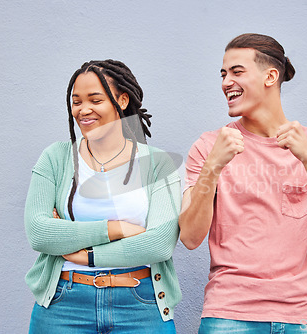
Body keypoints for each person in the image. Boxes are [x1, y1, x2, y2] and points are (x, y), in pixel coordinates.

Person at [179, 33, 307, 333]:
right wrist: (213, 167)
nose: (225, 82)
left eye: (237, 71)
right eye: (223, 74)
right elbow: (190, 238)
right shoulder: (209, 147)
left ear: (270, 76)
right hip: (228, 317)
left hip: (305, 318)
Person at [24, 60, 181, 333]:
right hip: (64, 305)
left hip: (139, 305)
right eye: (76, 102)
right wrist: (117, 229)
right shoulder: (56, 158)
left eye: (95, 100)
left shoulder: (157, 163)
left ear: (121, 100)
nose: (83, 110)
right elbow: (39, 232)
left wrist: (85, 255)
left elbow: (158, 245)